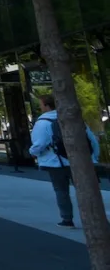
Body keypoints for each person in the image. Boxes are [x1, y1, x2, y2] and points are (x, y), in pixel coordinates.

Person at [30, 93, 101, 228]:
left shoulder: (42, 122)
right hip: (80, 161)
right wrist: (94, 157)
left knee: (61, 191)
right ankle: (95, 218)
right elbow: (91, 139)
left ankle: (67, 219)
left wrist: (32, 152)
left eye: (41, 104)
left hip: (56, 162)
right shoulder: (74, 118)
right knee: (86, 189)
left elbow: (39, 144)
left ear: (46, 105)